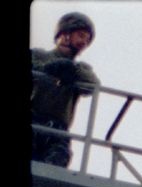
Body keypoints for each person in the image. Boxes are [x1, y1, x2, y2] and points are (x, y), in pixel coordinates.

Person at [31, 11, 98, 168]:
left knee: (57, 164)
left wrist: (73, 71)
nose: (84, 42)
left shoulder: (81, 68)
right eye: (81, 35)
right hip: (33, 119)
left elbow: (92, 86)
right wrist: (47, 69)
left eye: (87, 39)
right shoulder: (39, 55)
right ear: (66, 34)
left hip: (58, 129)